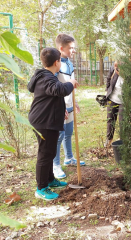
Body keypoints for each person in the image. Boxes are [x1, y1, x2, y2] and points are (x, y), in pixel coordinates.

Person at [28, 48, 78, 200]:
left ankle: (50, 179)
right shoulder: (46, 77)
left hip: (47, 119)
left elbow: (52, 96)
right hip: (44, 122)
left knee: (50, 152)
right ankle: (41, 188)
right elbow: (59, 90)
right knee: (45, 154)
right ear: (57, 62)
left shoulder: (48, 76)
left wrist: (61, 109)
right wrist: (70, 82)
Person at [53, 33, 85, 179]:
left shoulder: (69, 62)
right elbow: (55, 88)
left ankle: (69, 158)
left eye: (74, 48)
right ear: (61, 48)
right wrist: (62, 107)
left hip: (70, 104)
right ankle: (55, 165)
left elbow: (70, 84)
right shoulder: (56, 64)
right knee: (59, 136)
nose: (73, 51)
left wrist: (75, 101)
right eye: (71, 48)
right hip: (61, 106)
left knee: (68, 133)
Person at [105, 61, 123, 147]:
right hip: (112, 99)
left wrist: (123, 75)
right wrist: (108, 89)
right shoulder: (113, 69)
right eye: (115, 68)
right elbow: (108, 78)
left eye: (118, 68)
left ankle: (122, 142)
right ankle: (109, 139)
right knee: (110, 119)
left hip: (124, 101)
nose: (116, 70)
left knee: (122, 121)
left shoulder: (129, 73)